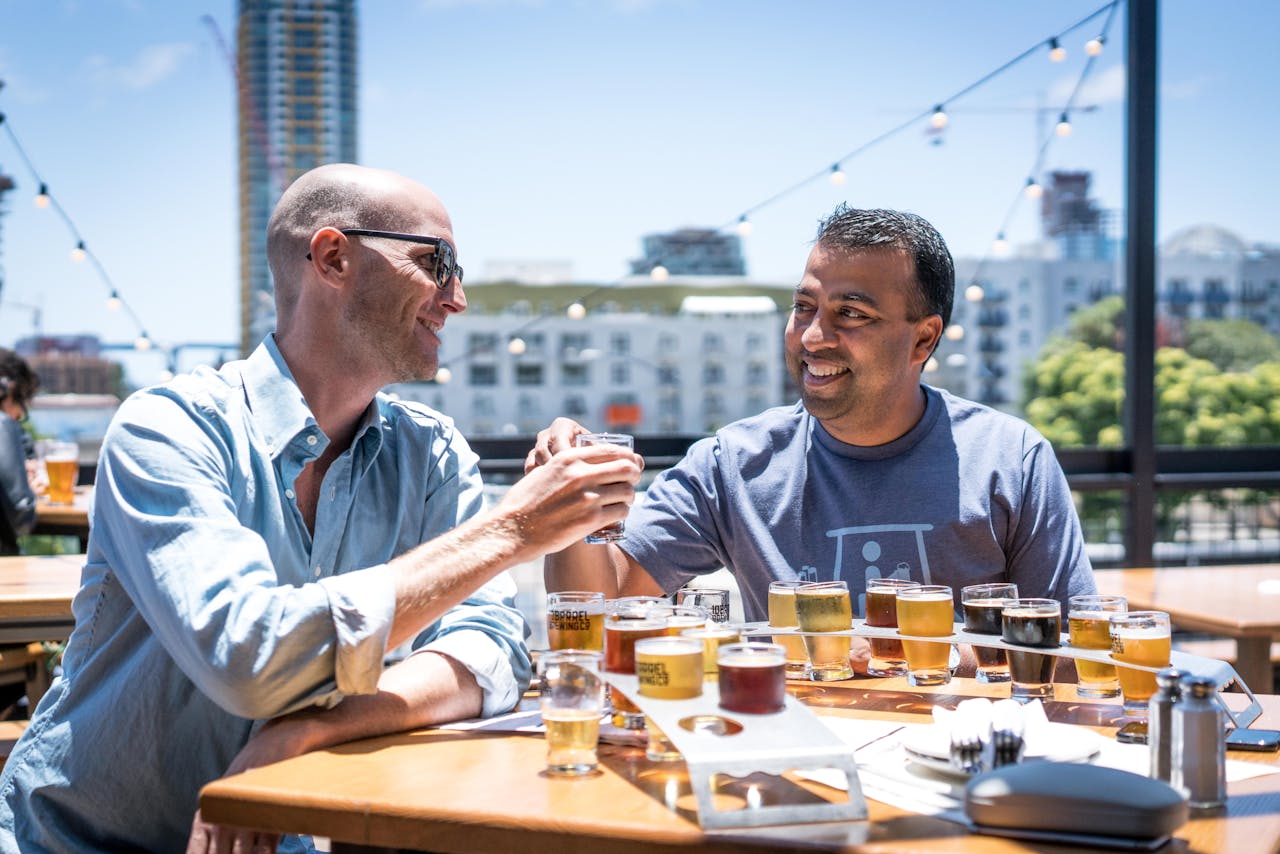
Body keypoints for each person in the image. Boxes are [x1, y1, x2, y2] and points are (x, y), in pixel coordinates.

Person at [0, 164, 641, 853]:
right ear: (334, 257)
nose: (456, 299)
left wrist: (307, 732)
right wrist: (510, 529)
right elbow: (247, 657)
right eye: (437, 263)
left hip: (295, 834)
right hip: (86, 841)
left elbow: (491, 652)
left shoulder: (430, 452)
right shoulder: (169, 426)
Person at [533, 205, 1095, 668]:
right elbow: (599, 607)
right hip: (791, 759)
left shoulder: (1010, 459)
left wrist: (893, 653)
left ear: (923, 341)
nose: (815, 336)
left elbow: (1076, 650)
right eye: (804, 308)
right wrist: (571, 511)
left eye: (850, 313)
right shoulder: (735, 464)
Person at [0, 349, 39, 557]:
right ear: (6, 388)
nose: (20, 414)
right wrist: (26, 485)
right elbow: (20, 513)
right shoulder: (2, 424)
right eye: (21, 400)